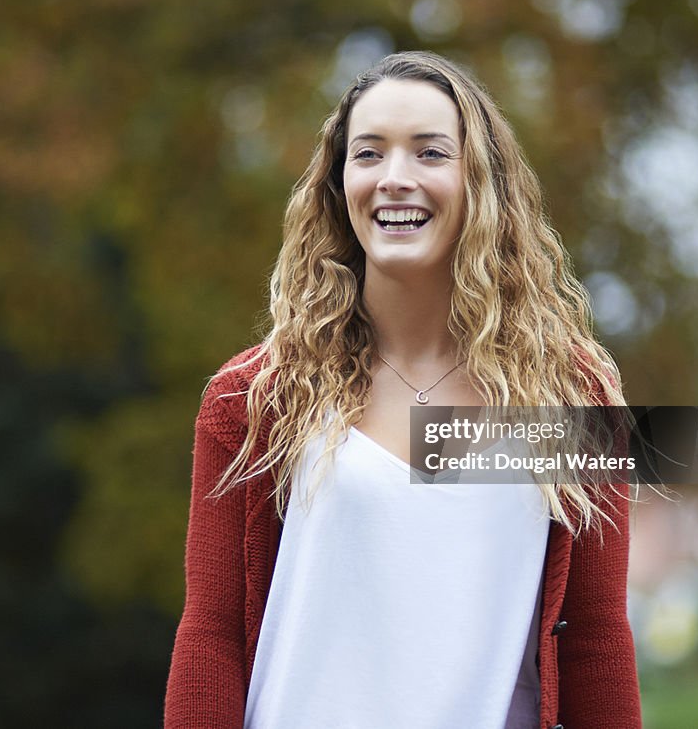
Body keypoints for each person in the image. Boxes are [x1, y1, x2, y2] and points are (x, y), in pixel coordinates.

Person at [165, 51, 641, 728]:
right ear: (339, 185)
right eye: (368, 154)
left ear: (481, 183)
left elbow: (596, 639)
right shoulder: (252, 400)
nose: (395, 178)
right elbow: (211, 633)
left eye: (429, 153)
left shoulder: (573, 393)